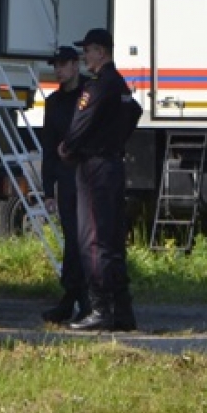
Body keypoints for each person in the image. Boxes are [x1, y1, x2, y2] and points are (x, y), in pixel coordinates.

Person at [58, 27, 137, 332]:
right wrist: (115, 139)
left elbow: (81, 122)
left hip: (94, 169)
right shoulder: (119, 84)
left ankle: (100, 308)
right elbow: (134, 113)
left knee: (93, 239)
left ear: (101, 52)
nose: (85, 56)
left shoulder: (99, 85)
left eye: (88, 50)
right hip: (113, 164)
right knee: (113, 239)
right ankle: (122, 310)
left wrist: (68, 146)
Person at [38, 45, 88, 324]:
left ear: (75, 65)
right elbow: (48, 148)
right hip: (67, 178)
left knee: (83, 241)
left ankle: (79, 299)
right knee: (72, 240)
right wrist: (48, 190)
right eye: (55, 65)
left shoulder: (88, 95)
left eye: (62, 64)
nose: (58, 70)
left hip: (87, 175)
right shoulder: (55, 102)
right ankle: (73, 299)